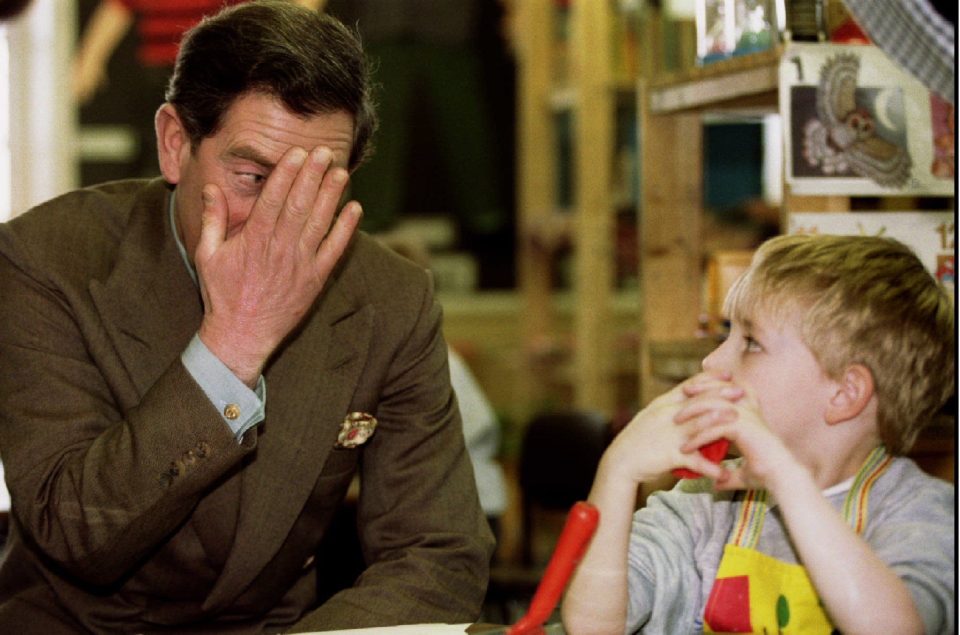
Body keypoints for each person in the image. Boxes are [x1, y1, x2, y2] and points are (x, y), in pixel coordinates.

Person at [0, 1, 494, 632]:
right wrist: (232, 347)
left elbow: (438, 555)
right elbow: (77, 534)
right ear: (175, 145)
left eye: (318, 184)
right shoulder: (46, 260)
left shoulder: (389, 298)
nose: (278, 220)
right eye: (252, 177)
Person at [562, 234, 955, 634]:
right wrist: (618, 472)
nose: (712, 360)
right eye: (725, 335)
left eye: (751, 342)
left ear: (844, 393)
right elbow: (590, 626)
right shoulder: (707, 503)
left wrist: (786, 478)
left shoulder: (920, 515)